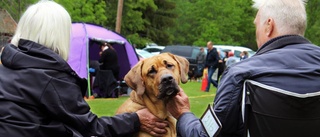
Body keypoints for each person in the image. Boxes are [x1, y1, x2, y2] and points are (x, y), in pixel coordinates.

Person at [0, 1, 168, 136]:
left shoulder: (6, 68)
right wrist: (136, 120)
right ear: (60, 35)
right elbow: (91, 127)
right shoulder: (50, 77)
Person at [168, 0, 320, 136]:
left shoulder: (240, 74)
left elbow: (206, 135)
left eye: (256, 25)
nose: (256, 33)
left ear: (269, 26)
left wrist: (183, 114)